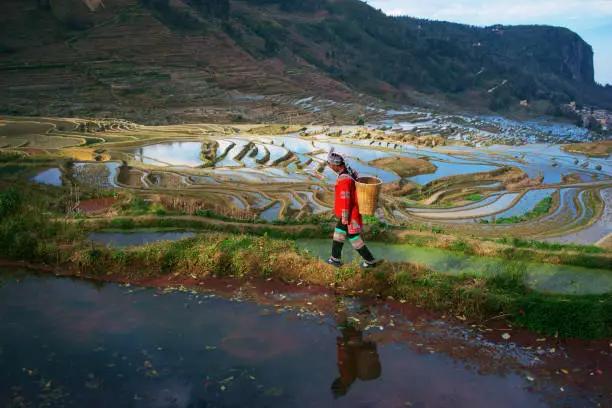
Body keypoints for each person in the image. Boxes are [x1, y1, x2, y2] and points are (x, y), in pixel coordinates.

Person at [325, 151, 381, 269]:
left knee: (354, 237)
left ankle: (370, 261)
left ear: (335, 165)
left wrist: (345, 217)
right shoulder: (348, 171)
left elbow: (346, 198)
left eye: (329, 164)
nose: (329, 166)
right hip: (352, 211)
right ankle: (335, 259)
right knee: (339, 233)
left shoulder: (344, 180)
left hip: (351, 213)